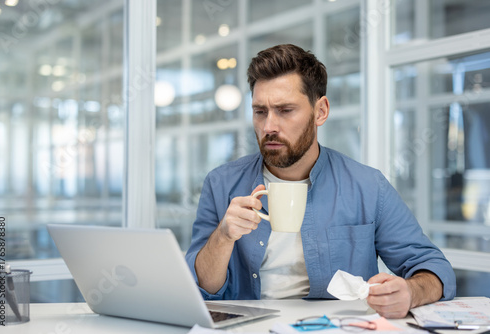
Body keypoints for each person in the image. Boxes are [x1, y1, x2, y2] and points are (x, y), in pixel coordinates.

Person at [185, 44, 456, 319]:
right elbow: (200, 288)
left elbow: (435, 269)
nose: (269, 127)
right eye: (260, 112)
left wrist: (410, 291)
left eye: (285, 110)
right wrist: (223, 236)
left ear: (321, 111)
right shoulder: (220, 184)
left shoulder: (367, 186)